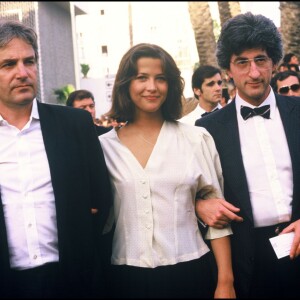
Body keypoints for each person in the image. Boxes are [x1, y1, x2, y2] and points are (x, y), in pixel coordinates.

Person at [99, 43, 235, 299]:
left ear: (171, 85)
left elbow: (219, 218)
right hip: (125, 279)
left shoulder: (195, 138)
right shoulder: (103, 147)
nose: (152, 87)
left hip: (191, 273)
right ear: (126, 84)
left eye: (160, 78)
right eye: (142, 78)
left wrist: (225, 282)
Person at [0, 20, 113, 298]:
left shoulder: (74, 125)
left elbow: (102, 199)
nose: (23, 73)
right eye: (8, 64)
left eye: (29, 61)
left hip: (73, 280)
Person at [195, 12, 300, 298]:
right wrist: (199, 207)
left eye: (261, 60)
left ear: (274, 62)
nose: (253, 72)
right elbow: (189, 188)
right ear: (228, 69)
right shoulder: (207, 129)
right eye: (242, 62)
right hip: (245, 263)